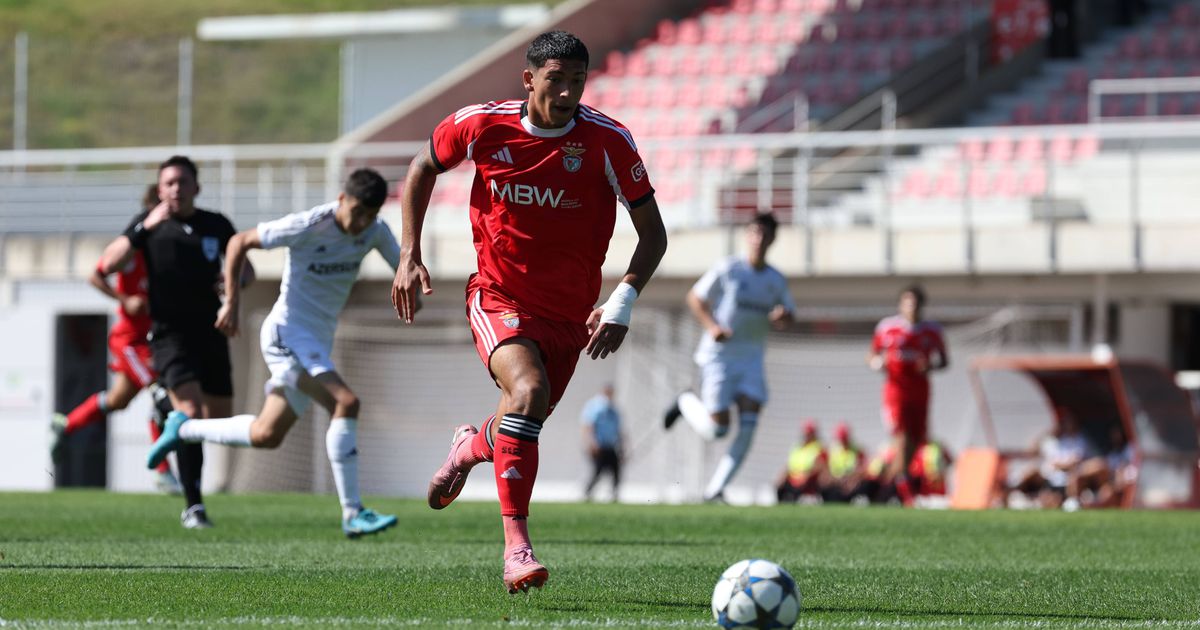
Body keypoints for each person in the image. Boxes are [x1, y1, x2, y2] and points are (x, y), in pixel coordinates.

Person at [390, 30, 667, 593]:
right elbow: (421, 168)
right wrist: (408, 256)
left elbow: (653, 235)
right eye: (556, 80)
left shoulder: (607, 142)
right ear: (529, 79)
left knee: (522, 419)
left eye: (577, 82)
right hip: (498, 296)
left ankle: (471, 446)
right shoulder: (483, 125)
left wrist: (622, 299)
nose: (567, 93)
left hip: (569, 316)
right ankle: (517, 549)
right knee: (528, 392)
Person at [146, 169, 401, 538]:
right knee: (346, 402)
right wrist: (231, 301)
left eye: (370, 215)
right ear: (342, 200)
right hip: (286, 335)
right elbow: (238, 243)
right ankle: (353, 513)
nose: (362, 222)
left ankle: (184, 428)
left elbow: (403, 265)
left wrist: (412, 276)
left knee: (267, 434)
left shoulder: (375, 231)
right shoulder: (308, 225)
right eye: (358, 211)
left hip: (316, 341)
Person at [100, 155, 252, 529]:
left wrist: (232, 283)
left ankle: (165, 413)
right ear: (160, 188)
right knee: (191, 413)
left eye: (183, 182)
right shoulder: (148, 225)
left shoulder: (216, 225)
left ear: (196, 188)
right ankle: (194, 506)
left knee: (218, 420)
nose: (176, 189)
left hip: (212, 333)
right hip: (169, 335)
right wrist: (143, 228)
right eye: (168, 183)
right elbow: (108, 264)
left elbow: (246, 270)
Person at [50, 185, 181, 494]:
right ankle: (163, 472)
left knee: (118, 400)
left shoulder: (169, 250)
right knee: (161, 392)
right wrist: (124, 299)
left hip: (154, 338)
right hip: (130, 340)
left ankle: (65, 425)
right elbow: (96, 275)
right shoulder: (130, 248)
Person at [662, 212, 796, 503]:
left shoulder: (775, 280)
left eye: (765, 234)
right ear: (748, 235)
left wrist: (783, 316)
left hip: (751, 360)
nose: (759, 239)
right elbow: (695, 298)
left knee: (749, 424)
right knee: (717, 430)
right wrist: (713, 327)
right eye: (755, 232)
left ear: (773, 239)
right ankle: (686, 401)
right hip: (719, 357)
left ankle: (715, 490)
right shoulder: (729, 269)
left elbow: (788, 314)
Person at [867, 285, 948, 505]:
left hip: (920, 394)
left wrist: (931, 366)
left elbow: (944, 361)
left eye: (915, 303)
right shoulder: (888, 328)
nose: (910, 307)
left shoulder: (932, 331)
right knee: (901, 439)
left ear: (921, 305)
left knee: (914, 444)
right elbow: (872, 356)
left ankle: (883, 489)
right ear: (900, 304)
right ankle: (906, 495)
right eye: (906, 302)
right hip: (895, 394)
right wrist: (878, 364)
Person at [580, 383, 624, 502]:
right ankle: (587, 493)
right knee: (597, 471)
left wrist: (622, 447)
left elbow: (619, 430)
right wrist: (592, 443)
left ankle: (614, 495)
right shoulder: (595, 407)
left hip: (610, 446)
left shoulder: (613, 410)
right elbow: (588, 426)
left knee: (616, 470)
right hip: (598, 446)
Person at [775, 420, 826, 503]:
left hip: (807, 479)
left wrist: (806, 476)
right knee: (780, 489)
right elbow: (789, 465)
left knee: (797, 490)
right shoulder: (797, 447)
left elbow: (819, 466)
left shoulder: (818, 447)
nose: (807, 436)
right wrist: (782, 476)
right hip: (793, 478)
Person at [819, 422, 866, 503]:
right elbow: (824, 466)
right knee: (823, 480)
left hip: (850, 479)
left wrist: (852, 478)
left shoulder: (857, 450)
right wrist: (833, 478)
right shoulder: (831, 449)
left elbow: (862, 467)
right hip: (835, 479)